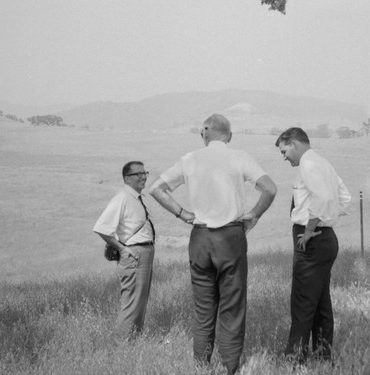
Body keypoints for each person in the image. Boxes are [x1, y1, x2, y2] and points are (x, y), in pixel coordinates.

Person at [149, 114, 277, 375]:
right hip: (230, 237)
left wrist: (182, 213)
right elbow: (270, 188)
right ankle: (230, 368)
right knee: (232, 305)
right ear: (229, 135)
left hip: (200, 238)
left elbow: (156, 189)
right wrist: (253, 215)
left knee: (203, 307)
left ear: (204, 134)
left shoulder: (189, 159)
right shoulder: (239, 156)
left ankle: (201, 367)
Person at [275, 127, 351, 365]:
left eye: (284, 150)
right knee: (320, 301)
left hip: (312, 238)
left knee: (302, 301)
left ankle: (295, 359)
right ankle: (322, 355)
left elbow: (324, 198)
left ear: (295, 143)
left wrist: (309, 230)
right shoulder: (323, 164)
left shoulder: (308, 165)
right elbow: (344, 198)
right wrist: (327, 220)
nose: (284, 157)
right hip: (326, 236)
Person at [93, 161, 155, 338]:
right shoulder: (122, 198)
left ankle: (134, 340)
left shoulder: (136, 197)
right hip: (134, 255)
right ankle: (124, 344)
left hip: (143, 254)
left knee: (140, 301)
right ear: (127, 178)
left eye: (145, 173)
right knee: (132, 303)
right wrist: (123, 249)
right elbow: (101, 227)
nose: (143, 177)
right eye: (138, 174)